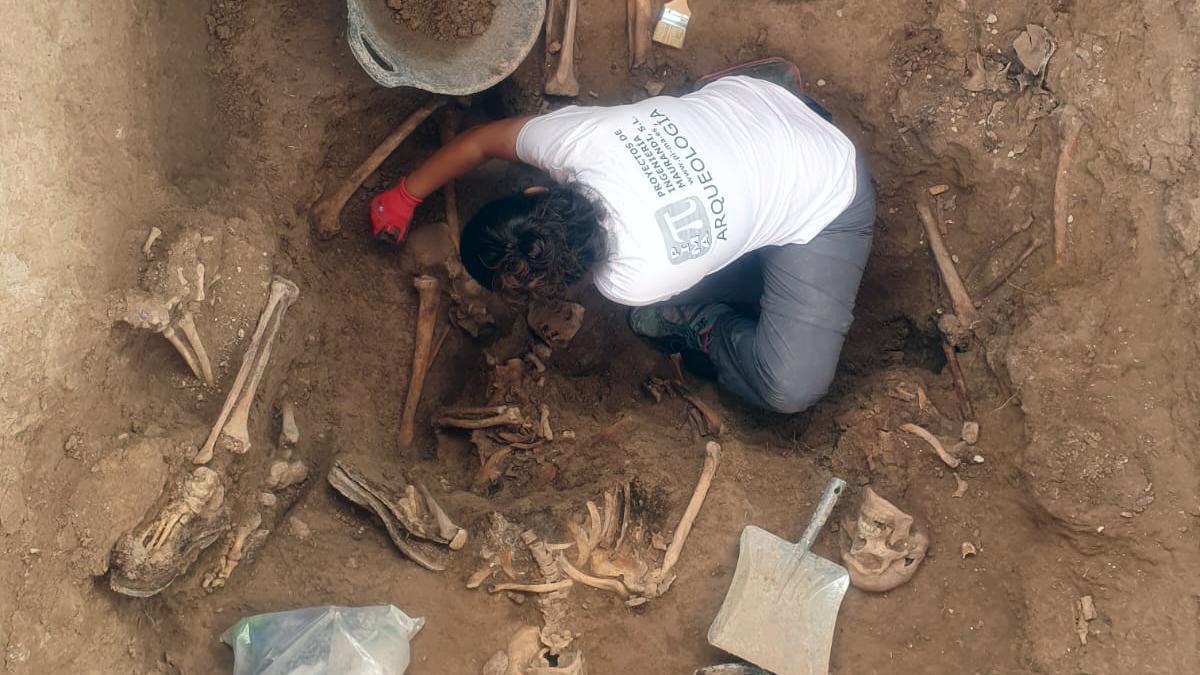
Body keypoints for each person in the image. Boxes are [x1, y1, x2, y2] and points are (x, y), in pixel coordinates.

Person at [370, 58, 875, 414]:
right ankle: (769, 85)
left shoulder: (630, 283)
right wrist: (405, 193)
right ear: (531, 190)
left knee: (788, 385)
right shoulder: (576, 141)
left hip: (829, 193)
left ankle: (693, 320)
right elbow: (482, 141)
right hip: (755, 106)